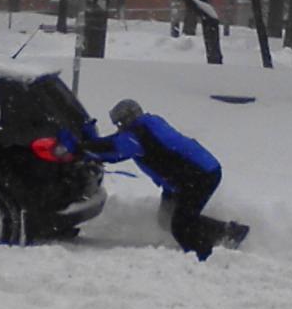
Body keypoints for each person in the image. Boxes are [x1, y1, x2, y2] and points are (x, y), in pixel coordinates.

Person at [78, 99, 247, 260]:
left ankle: (204, 257)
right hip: (187, 176)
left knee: (180, 225)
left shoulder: (139, 135)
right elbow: (115, 142)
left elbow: (113, 150)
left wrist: (80, 148)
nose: (118, 128)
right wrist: (90, 141)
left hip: (199, 177)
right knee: (166, 218)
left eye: (120, 123)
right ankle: (228, 233)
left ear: (128, 119)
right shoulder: (146, 125)